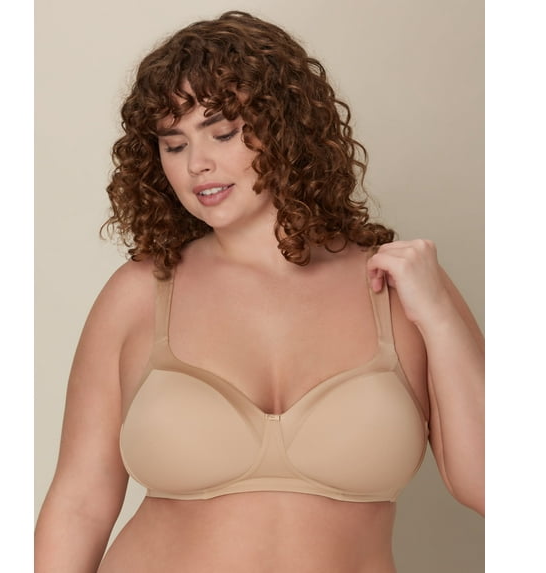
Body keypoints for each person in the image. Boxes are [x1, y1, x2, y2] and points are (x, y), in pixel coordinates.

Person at [34, 10, 484, 573]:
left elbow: (492, 485)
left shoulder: (403, 289)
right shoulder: (139, 293)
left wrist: (438, 314)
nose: (197, 164)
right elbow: (78, 504)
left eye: (222, 133)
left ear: (285, 129)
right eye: (173, 145)